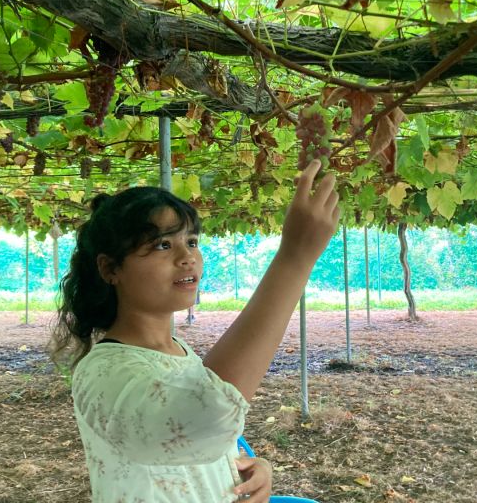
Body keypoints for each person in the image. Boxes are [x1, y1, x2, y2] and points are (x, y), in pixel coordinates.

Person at [52, 160, 339, 502]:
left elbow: (203, 443)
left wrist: (248, 466)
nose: (187, 256)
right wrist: (294, 258)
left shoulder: (178, 351)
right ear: (111, 268)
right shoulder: (103, 372)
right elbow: (203, 411)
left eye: (191, 240)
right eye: (162, 245)